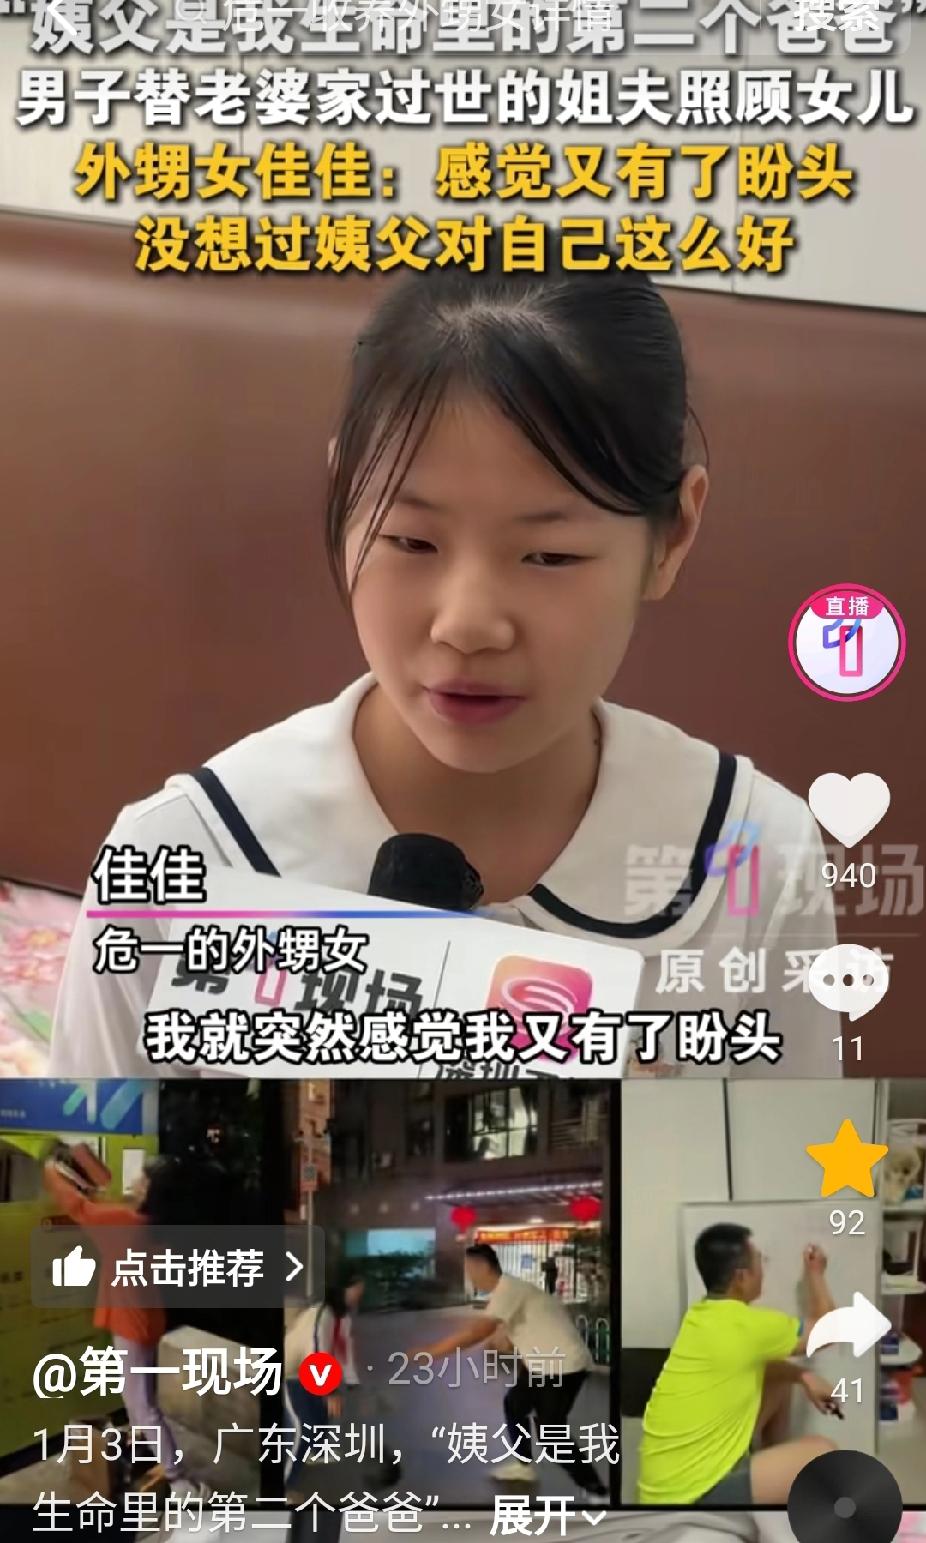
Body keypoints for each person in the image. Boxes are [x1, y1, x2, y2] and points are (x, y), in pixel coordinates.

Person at [50, 257, 839, 1078]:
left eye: (550, 554)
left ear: (672, 536)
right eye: (410, 540)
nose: (466, 625)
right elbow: (94, 1157)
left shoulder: (756, 854)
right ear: (343, 499)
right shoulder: (175, 863)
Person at [637, 1224, 840, 1506]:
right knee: (825, 1454)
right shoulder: (749, 1327)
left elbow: (765, 1367)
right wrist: (816, 1273)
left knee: (778, 1380)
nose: (763, 1267)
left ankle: (770, 1479)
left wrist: (802, 1375)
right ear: (741, 1278)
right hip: (693, 1496)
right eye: (760, 1261)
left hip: (660, 1488)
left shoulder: (700, 1316)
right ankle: (763, 1489)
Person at [43, 1154, 204, 1504]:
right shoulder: (156, 1223)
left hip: (131, 1324)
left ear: (151, 1190)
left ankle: (180, 1481)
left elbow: (79, 1208)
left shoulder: (125, 1223)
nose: (135, 1183)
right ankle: (146, 1454)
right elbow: (101, 1205)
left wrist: (51, 1169)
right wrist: (86, 1178)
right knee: (139, 1399)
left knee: (142, 1406)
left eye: (142, 1180)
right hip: (147, 1319)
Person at [414, 1241, 608, 1497]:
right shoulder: (511, 1291)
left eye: (470, 1270)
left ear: (482, 1266)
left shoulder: (508, 1289)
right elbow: (517, 1336)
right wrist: (513, 1354)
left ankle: (595, 1490)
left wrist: (431, 1353)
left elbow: (478, 1332)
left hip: (562, 1366)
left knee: (551, 1435)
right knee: (515, 1403)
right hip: (543, 1364)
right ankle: (523, 1465)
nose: (469, 1277)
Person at [283, 1273, 363, 1487]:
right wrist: (330, 1391)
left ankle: (316, 1451)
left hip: (310, 1371)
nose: (359, 1294)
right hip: (290, 1372)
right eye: (356, 1289)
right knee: (305, 1427)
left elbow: (344, 1350)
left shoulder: (343, 1318)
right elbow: (315, 1351)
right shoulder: (322, 1314)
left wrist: (352, 1381)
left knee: (322, 1414)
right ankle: (285, 1484)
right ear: (342, 1289)